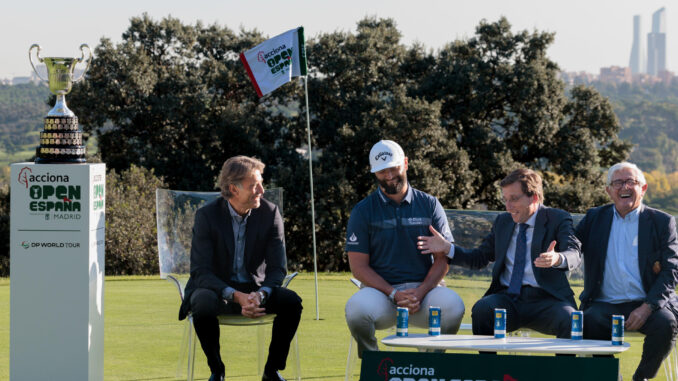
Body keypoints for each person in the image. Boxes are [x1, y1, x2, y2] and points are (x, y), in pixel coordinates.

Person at [178, 156, 303, 381]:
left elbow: (277, 268)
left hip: (256, 291)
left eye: (261, 183)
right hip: (217, 291)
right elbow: (200, 271)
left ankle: (271, 371)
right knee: (202, 301)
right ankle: (217, 371)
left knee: (292, 302)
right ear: (233, 189)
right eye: (254, 185)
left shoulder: (270, 213)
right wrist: (236, 296)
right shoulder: (206, 216)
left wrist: (261, 294)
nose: (261, 190)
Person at [418, 168, 581, 338]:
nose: (508, 207)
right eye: (505, 200)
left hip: (547, 300)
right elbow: (479, 258)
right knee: (483, 310)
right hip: (508, 299)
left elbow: (574, 253)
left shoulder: (558, 218)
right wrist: (447, 248)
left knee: (569, 319)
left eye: (514, 199)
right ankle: (489, 364)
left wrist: (557, 258)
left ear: (534, 197)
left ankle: (562, 366)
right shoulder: (503, 221)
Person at [344, 140, 465, 357]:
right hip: (382, 295)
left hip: (425, 293)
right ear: (374, 173)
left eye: (393, 168)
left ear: (406, 164)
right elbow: (358, 267)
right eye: (382, 171)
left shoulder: (430, 204)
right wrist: (394, 294)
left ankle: (430, 365)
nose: (389, 175)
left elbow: (442, 259)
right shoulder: (363, 211)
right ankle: (374, 365)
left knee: (454, 306)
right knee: (356, 310)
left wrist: (421, 291)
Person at [576, 162, 678, 381]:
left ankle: (640, 378)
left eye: (631, 181)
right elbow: (572, 246)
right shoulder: (594, 218)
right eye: (618, 182)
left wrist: (647, 307)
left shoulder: (662, 222)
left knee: (666, 324)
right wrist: (555, 255)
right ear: (609, 190)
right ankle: (611, 377)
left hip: (648, 303)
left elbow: (671, 271)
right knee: (587, 322)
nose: (625, 187)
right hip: (604, 305)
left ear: (643, 188)